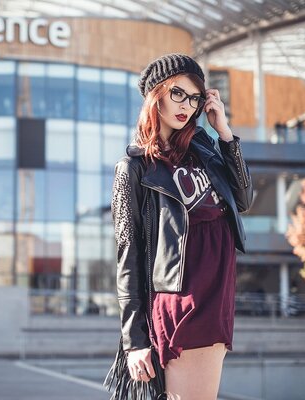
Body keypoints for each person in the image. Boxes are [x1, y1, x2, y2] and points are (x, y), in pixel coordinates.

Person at [109, 54, 253, 400]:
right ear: (155, 95)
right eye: (178, 93)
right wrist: (134, 342)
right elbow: (128, 255)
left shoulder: (206, 150)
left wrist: (224, 133)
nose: (186, 105)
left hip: (217, 297)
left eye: (194, 98)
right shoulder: (133, 169)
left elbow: (244, 199)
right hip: (182, 302)